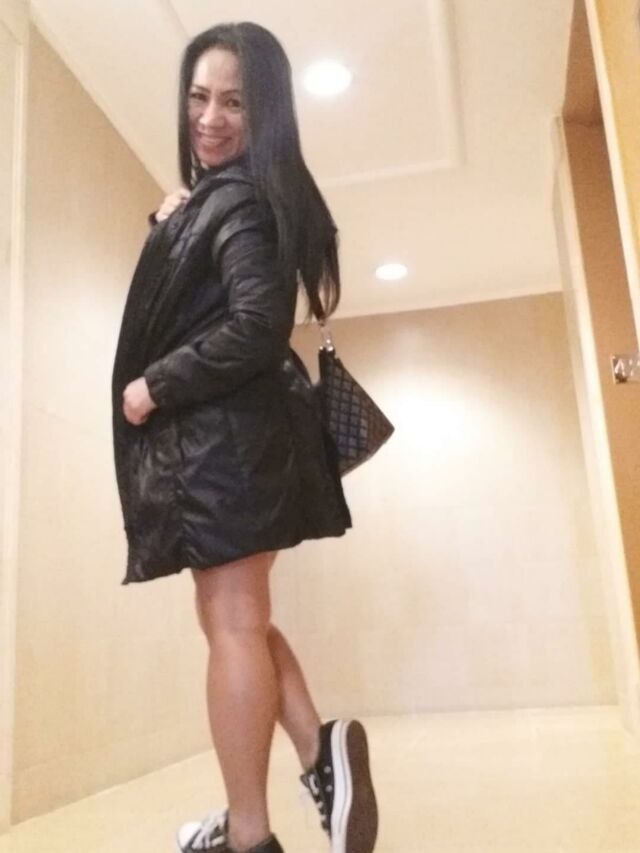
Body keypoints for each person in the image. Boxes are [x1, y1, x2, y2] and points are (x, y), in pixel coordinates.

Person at [110, 20, 378, 853]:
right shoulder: (234, 198)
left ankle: (251, 834)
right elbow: (216, 298)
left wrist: (156, 384)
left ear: (266, 112)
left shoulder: (241, 202)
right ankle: (320, 755)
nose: (209, 117)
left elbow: (258, 324)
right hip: (236, 448)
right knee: (242, 623)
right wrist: (173, 218)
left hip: (223, 448)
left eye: (233, 102)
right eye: (198, 97)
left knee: (231, 625)